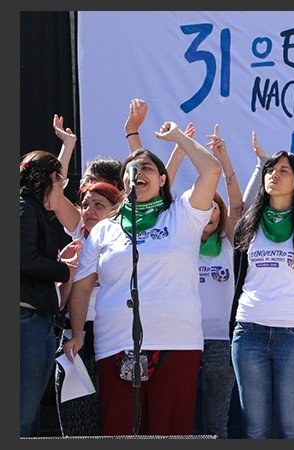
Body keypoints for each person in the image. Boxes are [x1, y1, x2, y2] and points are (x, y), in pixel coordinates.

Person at [62, 121, 222, 435]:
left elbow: (212, 171)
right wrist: (78, 332)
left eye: (147, 167)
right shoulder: (106, 228)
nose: (139, 173)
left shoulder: (183, 214)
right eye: (132, 169)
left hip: (177, 342)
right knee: (119, 431)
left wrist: (177, 137)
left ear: (162, 179)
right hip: (116, 343)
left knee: (171, 432)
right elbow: (82, 285)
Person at [229, 146, 294, 439]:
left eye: (283, 170)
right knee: (255, 427)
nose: (274, 174)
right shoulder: (248, 223)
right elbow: (240, 276)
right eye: (270, 169)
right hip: (249, 332)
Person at [164, 123, 243, 439]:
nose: (207, 212)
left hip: (220, 343)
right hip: (180, 340)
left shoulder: (228, 243)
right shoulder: (176, 239)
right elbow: (160, 194)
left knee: (215, 424)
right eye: (201, 206)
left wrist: (225, 162)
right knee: (175, 419)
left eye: (213, 206)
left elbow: (237, 206)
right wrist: (179, 148)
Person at [53, 180, 124, 436]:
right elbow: (59, 304)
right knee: (77, 427)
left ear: (116, 209)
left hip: (117, 337)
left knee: (116, 421)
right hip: (76, 339)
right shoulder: (74, 246)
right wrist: (68, 273)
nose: (89, 210)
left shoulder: (126, 246)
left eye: (98, 205)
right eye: (85, 204)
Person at [20, 150, 80, 437]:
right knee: (21, 413)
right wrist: (64, 270)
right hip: (24, 320)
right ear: (52, 179)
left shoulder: (32, 209)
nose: (62, 189)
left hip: (36, 321)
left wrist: (58, 264)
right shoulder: (23, 207)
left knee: (29, 413)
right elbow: (23, 260)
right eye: (62, 182)